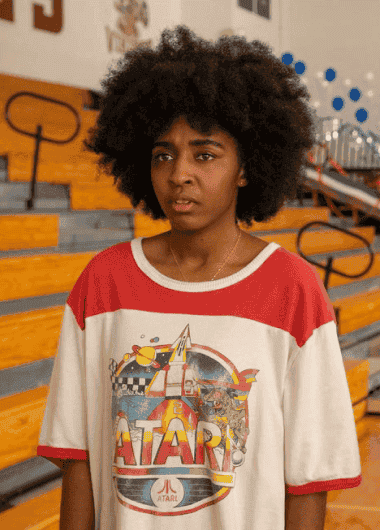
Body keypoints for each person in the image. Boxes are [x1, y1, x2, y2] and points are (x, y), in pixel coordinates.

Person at [37, 25, 362, 530]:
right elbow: (78, 459)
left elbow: (308, 481)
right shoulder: (104, 282)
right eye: (163, 154)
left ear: (246, 168)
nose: (179, 173)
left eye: (205, 155)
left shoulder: (294, 290)